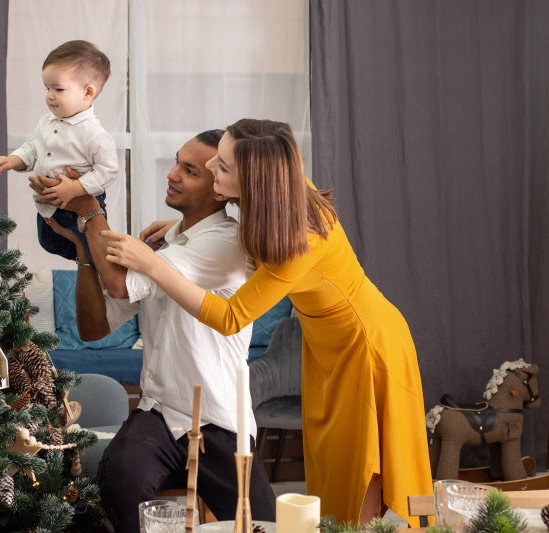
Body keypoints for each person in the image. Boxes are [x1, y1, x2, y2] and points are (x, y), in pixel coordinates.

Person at [98, 119, 433, 525]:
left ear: (254, 179)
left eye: (221, 167)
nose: (210, 171)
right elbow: (251, 234)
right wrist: (179, 228)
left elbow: (230, 316)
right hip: (326, 346)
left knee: (363, 471)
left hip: (366, 347)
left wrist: (153, 263)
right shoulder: (279, 196)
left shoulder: (302, 237)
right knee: (334, 470)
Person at [29, 130, 276, 533]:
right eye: (177, 162)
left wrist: (90, 208)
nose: (173, 174)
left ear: (219, 188)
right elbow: (94, 328)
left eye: (189, 170)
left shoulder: (225, 242)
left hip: (218, 418)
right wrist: (81, 249)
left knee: (262, 524)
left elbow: (120, 284)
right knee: (120, 482)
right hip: (158, 413)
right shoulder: (168, 242)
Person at [0, 39, 117, 261]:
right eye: (47, 88)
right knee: (48, 242)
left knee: (92, 254)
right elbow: (35, 148)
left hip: (76, 210)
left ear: (87, 93)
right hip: (46, 207)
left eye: (58, 89)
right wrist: (13, 160)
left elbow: (108, 171)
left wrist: (77, 188)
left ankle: (91, 267)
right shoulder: (47, 122)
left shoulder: (94, 134)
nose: (50, 95)